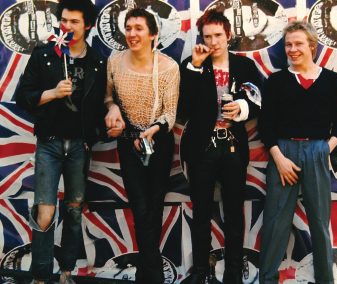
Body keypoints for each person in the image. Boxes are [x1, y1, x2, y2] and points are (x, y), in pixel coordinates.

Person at [15, 0, 106, 283]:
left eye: (74, 22)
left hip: (80, 145)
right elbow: (24, 97)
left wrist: (104, 125)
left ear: (87, 25)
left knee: (75, 209)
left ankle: (67, 272)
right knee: (45, 211)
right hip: (49, 143)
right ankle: (41, 276)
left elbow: (102, 104)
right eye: (63, 20)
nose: (66, 26)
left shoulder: (97, 61)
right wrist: (52, 93)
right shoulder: (44, 55)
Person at [258, 21, 337, 284]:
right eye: (288, 44)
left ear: (312, 45)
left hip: (317, 150)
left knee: (319, 222)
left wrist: (326, 147)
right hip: (282, 152)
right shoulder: (276, 81)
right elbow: (266, 124)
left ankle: (325, 279)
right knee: (276, 222)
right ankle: (268, 279)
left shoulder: (331, 80)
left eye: (298, 43)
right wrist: (278, 157)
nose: (293, 49)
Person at [178, 9, 262, 284]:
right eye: (207, 36)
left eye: (217, 35)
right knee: (201, 211)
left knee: (234, 213)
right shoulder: (193, 64)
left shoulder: (244, 66)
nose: (213, 41)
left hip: (233, 148)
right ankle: (201, 271)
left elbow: (260, 100)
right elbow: (183, 108)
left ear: (228, 35)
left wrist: (243, 107)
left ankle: (234, 274)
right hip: (202, 148)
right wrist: (194, 67)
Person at [104, 8, 180, 284]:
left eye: (138, 28)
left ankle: (148, 275)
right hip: (128, 143)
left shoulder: (169, 67)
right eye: (129, 28)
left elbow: (170, 113)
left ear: (153, 35)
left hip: (157, 142)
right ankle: (153, 273)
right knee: (138, 206)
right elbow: (107, 97)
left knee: (154, 206)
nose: (132, 34)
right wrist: (112, 108)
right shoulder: (114, 60)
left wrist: (154, 129)